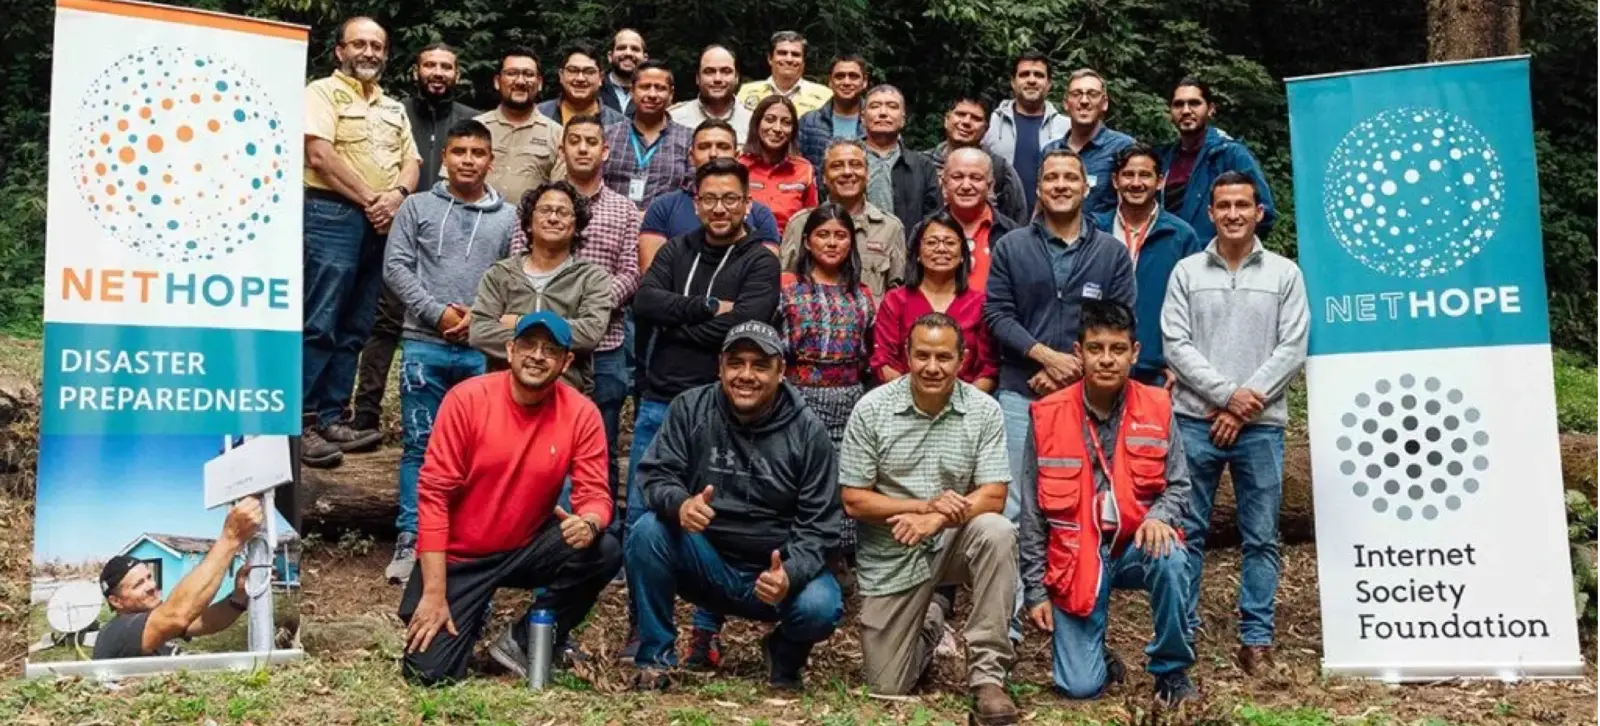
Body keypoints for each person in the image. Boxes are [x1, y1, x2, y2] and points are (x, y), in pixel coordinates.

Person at [399, 311, 622, 685]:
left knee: (605, 548)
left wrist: (590, 521)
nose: (537, 356)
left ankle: (523, 639)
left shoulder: (581, 413)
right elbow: (434, 497)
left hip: (526, 544)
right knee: (429, 676)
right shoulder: (467, 399)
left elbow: (596, 493)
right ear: (509, 349)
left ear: (566, 362)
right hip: (459, 555)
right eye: (529, 346)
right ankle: (465, 617)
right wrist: (434, 591)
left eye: (551, 350)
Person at [626, 321, 844, 691]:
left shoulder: (808, 432)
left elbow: (820, 525)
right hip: (705, 560)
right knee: (648, 531)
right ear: (720, 367)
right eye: (736, 363)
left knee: (820, 606)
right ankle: (656, 659)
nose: (746, 375)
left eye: (760, 365)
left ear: (781, 372)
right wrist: (680, 504)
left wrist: (790, 573)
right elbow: (655, 475)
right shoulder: (691, 409)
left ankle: (784, 655)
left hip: (773, 573)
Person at [623, 159, 782, 661]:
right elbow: (646, 303)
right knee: (646, 515)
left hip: (729, 409)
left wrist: (682, 320)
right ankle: (644, 629)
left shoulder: (760, 260)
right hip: (663, 399)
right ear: (696, 204)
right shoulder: (675, 249)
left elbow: (749, 324)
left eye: (729, 199)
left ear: (747, 204)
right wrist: (710, 309)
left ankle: (706, 630)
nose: (719, 208)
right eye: (710, 199)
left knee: (719, 516)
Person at [840, 313, 1019, 725]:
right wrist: (922, 508)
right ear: (906, 355)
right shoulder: (873, 409)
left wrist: (938, 520)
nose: (932, 367)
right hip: (893, 555)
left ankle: (988, 677)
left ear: (963, 359)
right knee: (886, 685)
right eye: (922, 355)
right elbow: (852, 499)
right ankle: (933, 619)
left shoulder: (983, 411)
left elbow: (994, 494)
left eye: (943, 357)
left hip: (953, 542)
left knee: (997, 530)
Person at [1162, 171, 1307, 676]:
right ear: (1211, 212)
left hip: (1262, 426)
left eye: (1242, 205)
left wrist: (1244, 406)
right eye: (1223, 205)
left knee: (1261, 534)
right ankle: (1182, 631)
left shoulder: (1285, 274)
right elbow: (1175, 345)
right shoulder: (1185, 272)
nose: (1232, 214)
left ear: (1258, 211)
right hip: (1195, 421)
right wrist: (1227, 398)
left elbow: (1293, 348)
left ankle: (1256, 640)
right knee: (1188, 530)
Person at [1018, 299, 1196, 705]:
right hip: (1076, 555)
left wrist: (1160, 516)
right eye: (1096, 349)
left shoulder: (1157, 405)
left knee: (1171, 555)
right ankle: (1098, 659)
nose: (1106, 360)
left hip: (1135, 545)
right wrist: (1034, 590)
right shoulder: (1047, 415)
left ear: (1134, 353)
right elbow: (1031, 512)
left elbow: (1181, 486)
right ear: (1078, 353)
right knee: (1079, 688)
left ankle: (1171, 670)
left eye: (1118, 349)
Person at [381, 119, 518, 584]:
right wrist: (437, 313)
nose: (467, 160)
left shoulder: (510, 216)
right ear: (445, 157)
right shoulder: (417, 207)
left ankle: (463, 541)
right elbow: (396, 268)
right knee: (419, 445)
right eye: (459, 151)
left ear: (490, 160)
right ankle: (411, 538)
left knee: (478, 450)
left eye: (477, 153)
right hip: (423, 345)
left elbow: (512, 277)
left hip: (480, 350)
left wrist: (477, 319)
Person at [984, 148, 1135, 523]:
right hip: (1021, 391)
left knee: (1083, 498)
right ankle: (1021, 585)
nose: (1061, 185)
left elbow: (1120, 321)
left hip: (1090, 395)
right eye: (1052, 178)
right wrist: (1047, 358)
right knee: (1016, 502)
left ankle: (1080, 583)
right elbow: (998, 314)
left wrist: (1073, 370)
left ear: (1086, 187)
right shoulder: (1010, 246)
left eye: (1070, 178)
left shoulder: (1111, 253)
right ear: (1039, 188)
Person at [302, 16, 420, 468]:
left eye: (377, 45)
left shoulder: (393, 107)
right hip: (331, 214)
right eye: (359, 44)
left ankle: (334, 416)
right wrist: (375, 199)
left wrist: (397, 198)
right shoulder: (320, 94)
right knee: (320, 322)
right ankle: (304, 421)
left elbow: (413, 160)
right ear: (340, 52)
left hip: (381, 223)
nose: (369, 52)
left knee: (356, 326)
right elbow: (319, 155)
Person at [507, 115, 642, 511]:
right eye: (575, 141)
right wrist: (551, 322)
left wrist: (590, 310)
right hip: (537, 348)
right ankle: (530, 534)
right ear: (562, 149)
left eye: (591, 142)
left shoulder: (624, 211)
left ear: (606, 151)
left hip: (605, 348)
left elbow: (632, 273)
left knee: (599, 444)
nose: (583, 148)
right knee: (533, 443)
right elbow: (517, 263)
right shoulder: (538, 205)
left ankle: (601, 534)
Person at [351, 42, 478, 434]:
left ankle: (457, 423)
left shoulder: (472, 119)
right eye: (430, 65)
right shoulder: (395, 112)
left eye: (446, 66)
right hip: (396, 231)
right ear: (415, 71)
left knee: (456, 325)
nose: (438, 73)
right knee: (384, 323)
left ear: (456, 74)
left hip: (454, 237)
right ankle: (366, 415)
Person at [779, 204, 875, 541]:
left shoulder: (861, 295)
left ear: (851, 242)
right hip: (797, 396)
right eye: (823, 235)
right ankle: (798, 547)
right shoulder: (789, 291)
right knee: (799, 472)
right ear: (807, 242)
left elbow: (870, 350)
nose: (831, 243)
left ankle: (840, 553)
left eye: (840, 235)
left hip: (849, 398)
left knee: (844, 473)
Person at [469, 180, 614, 393]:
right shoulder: (500, 274)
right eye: (545, 210)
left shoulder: (592, 278)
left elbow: (590, 333)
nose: (553, 218)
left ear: (576, 227)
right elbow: (479, 332)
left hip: (566, 394)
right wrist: (555, 341)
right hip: (503, 394)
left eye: (563, 212)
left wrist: (520, 322)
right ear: (528, 223)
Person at [93, 499, 264, 659]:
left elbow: (206, 622)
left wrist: (238, 597)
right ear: (116, 601)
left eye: (149, 577)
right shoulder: (116, 633)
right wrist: (230, 538)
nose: (152, 586)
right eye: (138, 584)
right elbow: (177, 614)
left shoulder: (152, 621)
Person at [1090, 144, 1202, 387]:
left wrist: (1180, 363)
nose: (1136, 182)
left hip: (1158, 371)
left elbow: (1196, 307)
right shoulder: (1094, 229)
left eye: (1145, 175)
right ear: (1115, 180)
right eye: (1128, 175)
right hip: (1098, 364)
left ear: (1160, 181)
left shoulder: (1181, 236)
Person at [873, 213, 997, 392]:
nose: (941, 249)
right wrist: (918, 401)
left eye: (950, 243)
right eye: (931, 242)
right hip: (903, 402)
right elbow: (884, 361)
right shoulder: (896, 300)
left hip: (965, 406)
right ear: (917, 253)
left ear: (963, 254)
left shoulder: (980, 304)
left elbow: (987, 369)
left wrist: (966, 405)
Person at [638, 119, 781, 272]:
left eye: (723, 147)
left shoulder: (760, 214)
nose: (713, 154)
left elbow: (766, 275)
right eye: (704, 147)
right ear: (691, 156)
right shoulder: (663, 208)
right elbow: (652, 276)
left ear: (737, 155)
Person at [1154, 77, 1277, 243]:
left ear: (1211, 109)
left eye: (1194, 103)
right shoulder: (1164, 158)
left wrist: (1230, 253)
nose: (1186, 110)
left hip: (1216, 260)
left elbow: (1264, 213)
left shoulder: (1229, 154)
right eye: (1178, 104)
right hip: (1173, 257)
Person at [781, 139, 905, 302]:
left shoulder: (890, 228)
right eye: (837, 166)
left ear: (867, 174)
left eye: (855, 165)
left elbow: (899, 295)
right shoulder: (801, 224)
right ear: (824, 177)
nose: (847, 172)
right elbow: (783, 284)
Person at [475, 48, 564, 214]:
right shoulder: (476, 129)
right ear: (497, 81)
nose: (521, 81)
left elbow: (559, 193)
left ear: (540, 83)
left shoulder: (557, 135)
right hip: (478, 226)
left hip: (530, 231)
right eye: (512, 73)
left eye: (528, 74)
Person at [1041, 69, 1136, 219]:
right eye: (1077, 94)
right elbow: (1040, 207)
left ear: (1104, 103)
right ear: (1066, 103)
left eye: (1092, 94)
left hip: (1103, 240)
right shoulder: (1050, 151)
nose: (1084, 101)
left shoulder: (1123, 148)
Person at [983, 50, 1068, 215]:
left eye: (1038, 75)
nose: (1031, 80)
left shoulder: (1066, 127)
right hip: (998, 221)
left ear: (1049, 84)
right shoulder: (991, 123)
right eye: (1024, 74)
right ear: (1013, 82)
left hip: (1050, 220)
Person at [602, 59, 691, 210]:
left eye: (660, 88)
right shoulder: (608, 135)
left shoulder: (688, 139)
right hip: (613, 225)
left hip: (665, 228)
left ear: (671, 94)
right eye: (645, 87)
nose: (652, 94)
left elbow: (691, 191)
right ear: (632, 91)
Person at [926, 97, 1027, 223]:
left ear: (986, 128)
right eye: (960, 114)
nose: (966, 122)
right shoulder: (923, 165)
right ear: (946, 120)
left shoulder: (999, 168)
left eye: (976, 118)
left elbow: (1018, 217)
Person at [934, 147, 1020, 291]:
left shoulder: (1012, 235)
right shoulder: (924, 231)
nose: (966, 186)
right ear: (944, 183)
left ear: (990, 185)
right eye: (957, 177)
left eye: (976, 178)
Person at [862, 84, 941, 236]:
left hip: (906, 251)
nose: (883, 113)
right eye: (875, 106)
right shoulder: (847, 161)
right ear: (862, 117)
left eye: (892, 106)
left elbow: (934, 218)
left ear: (903, 119)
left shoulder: (922, 166)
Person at [740, 95, 819, 236]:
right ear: (757, 123)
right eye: (770, 120)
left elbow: (812, 219)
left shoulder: (804, 169)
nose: (777, 128)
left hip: (790, 248)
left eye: (786, 122)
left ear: (793, 130)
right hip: (747, 246)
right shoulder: (739, 166)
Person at [796, 54, 868, 179]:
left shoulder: (876, 122)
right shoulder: (809, 122)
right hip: (819, 197)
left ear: (864, 82)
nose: (846, 82)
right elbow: (795, 165)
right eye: (840, 76)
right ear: (830, 81)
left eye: (853, 76)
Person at [669, 45, 753, 145]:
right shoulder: (674, 119)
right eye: (709, 72)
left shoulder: (753, 121)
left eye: (726, 71)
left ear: (736, 78)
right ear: (697, 78)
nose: (717, 79)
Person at [736, 30, 832, 116]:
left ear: (803, 61)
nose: (789, 59)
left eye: (795, 54)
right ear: (770, 58)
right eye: (782, 53)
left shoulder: (824, 96)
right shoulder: (747, 91)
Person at [538, 43, 628, 127]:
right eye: (573, 70)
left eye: (589, 72)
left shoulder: (619, 124)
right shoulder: (539, 114)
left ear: (601, 78)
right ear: (561, 75)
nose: (580, 78)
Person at [602, 29, 647, 115]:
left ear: (645, 59)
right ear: (610, 56)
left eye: (635, 49)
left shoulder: (653, 93)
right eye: (622, 48)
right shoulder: (595, 90)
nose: (628, 53)